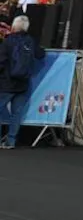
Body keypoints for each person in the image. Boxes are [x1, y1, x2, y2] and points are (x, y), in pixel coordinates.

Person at [0, 15, 46, 149]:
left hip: (6, 83)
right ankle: (11, 141)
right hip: (23, 83)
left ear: (14, 26)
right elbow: (41, 54)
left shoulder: (8, 42)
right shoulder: (30, 41)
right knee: (17, 113)